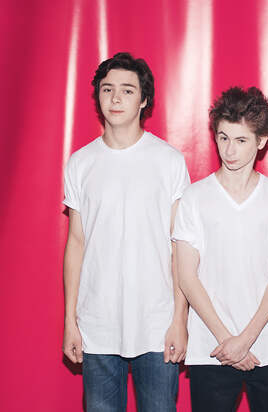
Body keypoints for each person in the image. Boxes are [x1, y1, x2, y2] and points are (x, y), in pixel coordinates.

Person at [62, 52, 190, 412]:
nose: (116, 98)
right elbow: (76, 243)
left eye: (127, 90)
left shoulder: (168, 161)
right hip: (97, 325)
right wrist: (70, 320)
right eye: (107, 89)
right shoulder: (81, 163)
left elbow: (180, 247)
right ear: (98, 96)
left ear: (144, 99)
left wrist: (179, 319)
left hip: (156, 324)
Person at [173, 86, 268, 411]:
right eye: (223, 137)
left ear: (261, 140)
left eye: (241, 140)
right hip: (211, 348)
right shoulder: (195, 197)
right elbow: (187, 276)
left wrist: (245, 340)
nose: (230, 150)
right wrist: (227, 341)